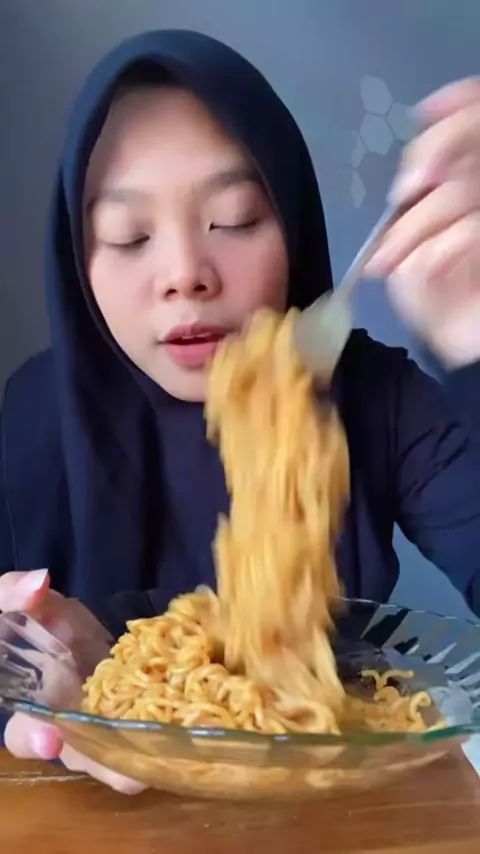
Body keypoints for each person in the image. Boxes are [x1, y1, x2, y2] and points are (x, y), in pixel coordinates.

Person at [0, 30, 480, 794]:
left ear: (292, 224)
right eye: (129, 236)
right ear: (78, 261)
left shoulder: (377, 399)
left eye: (233, 219)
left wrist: (472, 344)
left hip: (339, 809)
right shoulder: (29, 416)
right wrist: (23, 677)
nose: (185, 274)